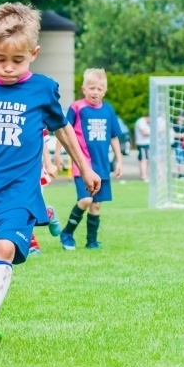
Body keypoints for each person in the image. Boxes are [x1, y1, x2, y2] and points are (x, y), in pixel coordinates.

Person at [0, 2, 100, 355]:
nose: (8, 68)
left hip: (19, 195)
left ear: (34, 54)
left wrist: (84, 167)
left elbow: (63, 129)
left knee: (4, 248)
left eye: (18, 60)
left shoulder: (42, 90)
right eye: (0, 59)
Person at [57, 68, 123, 251]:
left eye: (99, 88)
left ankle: (92, 241)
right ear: (83, 89)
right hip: (83, 165)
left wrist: (119, 160)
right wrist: (57, 154)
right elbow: (63, 130)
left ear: (105, 91)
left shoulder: (108, 110)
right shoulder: (77, 108)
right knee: (85, 200)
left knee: (96, 205)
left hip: (102, 166)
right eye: (91, 88)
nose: (95, 92)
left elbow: (114, 136)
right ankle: (67, 233)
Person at [28, 129, 62, 256]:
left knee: (27, 208)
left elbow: (42, 139)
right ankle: (48, 213)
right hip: (8, 170)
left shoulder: (33, 110)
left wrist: (48, 164)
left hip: (33, 170)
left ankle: (32, 245)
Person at [172, 111, 184, 179]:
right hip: (178, 144)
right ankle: (180, 174)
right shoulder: (175, 125)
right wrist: (182, 135)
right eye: (182, 116)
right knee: (179, 160)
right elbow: (173, 135)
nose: (183, 118)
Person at [134, 113, 151, 182]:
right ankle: (143, 176)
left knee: (146, 160)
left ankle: (145, 175)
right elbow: (145, 133)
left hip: (146, 144)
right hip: (142, 144)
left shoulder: (146, 123)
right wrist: (156, 131)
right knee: (144, 160)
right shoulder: (141, 122)